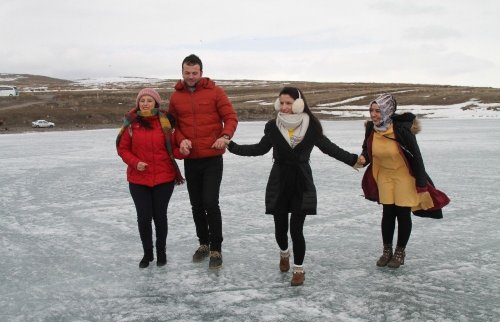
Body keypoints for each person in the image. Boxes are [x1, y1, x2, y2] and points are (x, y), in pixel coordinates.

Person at [224, 87, 363, 286]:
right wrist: (232, 146)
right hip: (279, 181)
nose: (284, 107)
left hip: (301, 181)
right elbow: (259, 149)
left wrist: (353, 160)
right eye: (281, 103)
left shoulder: (311, 127)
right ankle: (284, 253)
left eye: (289, 103)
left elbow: (329, 148)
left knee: (296, 229)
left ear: (298, 103)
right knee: (280, 228)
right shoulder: (273, 127)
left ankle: (299, 269)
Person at [360, 93, 450, 268]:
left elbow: (416, 157)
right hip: (384, 177)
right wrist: (363, 157)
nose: (373, 114)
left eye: (378, 111)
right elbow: (367, 148)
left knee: (402, 214)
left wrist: (422, 184)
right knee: (387, 213)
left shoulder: (401, 130)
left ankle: (400, 251)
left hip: (404, 177)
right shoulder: (371, 128)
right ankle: (387, 251)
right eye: (371, 110)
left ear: (387, 111)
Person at [168, 54, 238, 269]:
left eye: (194, 73)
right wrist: (181, 140)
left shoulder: (215, 92)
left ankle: (216, 248)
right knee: (196, 204)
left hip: (212, 158)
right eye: (187, 73)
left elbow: (231, 117)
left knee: (210, 202)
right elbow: (173, 126)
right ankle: (203, 244)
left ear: (201, 72)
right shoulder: (175, 97)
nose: (191, 76)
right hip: (191, 159)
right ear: (182, 73)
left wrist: (225, 136)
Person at [117, 88, 186, 268]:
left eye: (149, 100)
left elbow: (173, 150)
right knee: (144, 217)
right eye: (142, 100)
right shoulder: (131, 123)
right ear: (138, 103)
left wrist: (183, 151)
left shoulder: (165, 123)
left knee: (160, 216)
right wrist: (135, 162)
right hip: (138, 179)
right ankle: (147, 254)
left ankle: (161, 252)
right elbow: (122, 149)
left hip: (164, 178)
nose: (145, 103)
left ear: (156, 103)